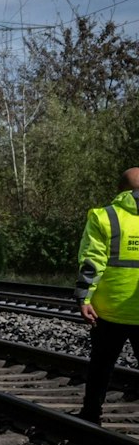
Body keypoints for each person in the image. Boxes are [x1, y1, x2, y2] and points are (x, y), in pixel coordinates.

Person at [76, 167, 139, 425]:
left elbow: (92, 261)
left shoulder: (105, 217)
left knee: (101, 365)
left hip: (108, 310)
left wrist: (84, 298)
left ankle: (91, 415)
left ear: (120, 190)